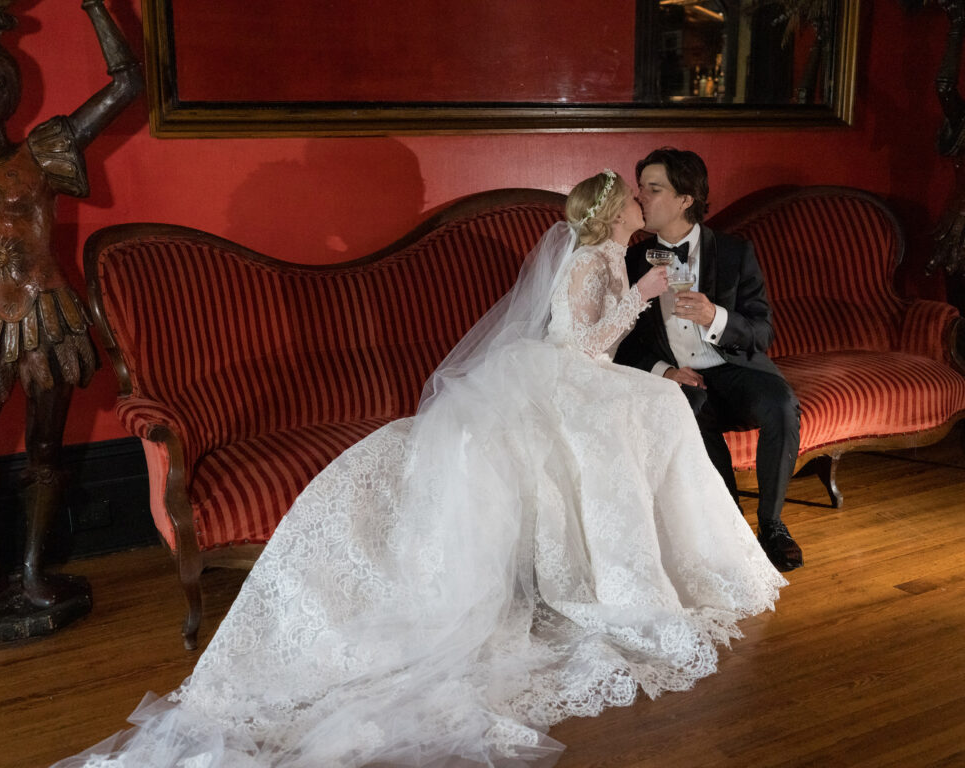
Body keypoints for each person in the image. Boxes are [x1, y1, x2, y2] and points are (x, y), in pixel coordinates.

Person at [56, 170, 785, 768]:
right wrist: (640, 298)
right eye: (631, 196)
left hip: (577, 376)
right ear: (610, 213)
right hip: (565, 375)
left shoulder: (620, 256)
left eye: (644, 193)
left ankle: (649, 554)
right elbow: (586, 345)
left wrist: (649, 318)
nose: (638, 203)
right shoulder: (594, 262)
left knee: (657, 407)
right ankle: (621, 570)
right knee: (648, 412)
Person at [0, 0, 142, 616]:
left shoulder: (42, 151)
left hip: (47, 316)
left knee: (46, 451)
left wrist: (94, 5)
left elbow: (127, 83)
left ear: (14, 90)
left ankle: (32, 573)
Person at [613, 148, 804, 571]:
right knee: (691, 407)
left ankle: (772, 524)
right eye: (640, 187)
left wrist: (715, 317)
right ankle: (731, 528)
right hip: (679, 378)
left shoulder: (735, 252)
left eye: (653, 188)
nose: (640, 196)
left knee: (782, 405)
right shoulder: (630, 260)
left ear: (685, 199)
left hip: (735, 369)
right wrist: (665, 371)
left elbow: (762, 333)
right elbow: (621, 341)